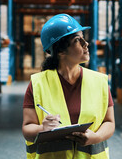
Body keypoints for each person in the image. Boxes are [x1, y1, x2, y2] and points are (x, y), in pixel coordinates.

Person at [22, 14, 115, 159]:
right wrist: (42, 128)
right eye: (78, 40)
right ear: (60, 50)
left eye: (84, 38)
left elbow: (109, 122)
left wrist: (95, 138)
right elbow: (27, 128)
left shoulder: (100, 81)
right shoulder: (37, 84)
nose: (86, 44)